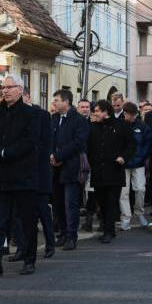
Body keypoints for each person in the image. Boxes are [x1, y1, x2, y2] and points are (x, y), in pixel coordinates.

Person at [0, 75, 41, 278]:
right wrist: (0, 152)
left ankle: (29, 259)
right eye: (3, 88)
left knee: (27, 221)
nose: (4, 91)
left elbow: (30, 141)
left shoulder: (31, 114)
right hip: (2, 177)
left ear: (20, 90)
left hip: (24, 175)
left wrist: (7, 153)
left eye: (9, 87)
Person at [11, 98, 55, 261]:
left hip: (39, 174)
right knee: (18, 215)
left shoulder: (42, 115)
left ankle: (50, 244)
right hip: (20, 175)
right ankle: (22, 248)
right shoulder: (13, 117)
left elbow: (46, 144)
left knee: (43, 212)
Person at [87, 100, 136, 244]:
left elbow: (131, 144)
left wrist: (123, 157)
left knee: (112, 201)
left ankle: (109, 230)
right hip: (98, 171)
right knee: (101, 202)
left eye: (97, 111)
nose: (95, 114)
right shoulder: (93, 127)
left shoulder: (121, 125)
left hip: (114, 170)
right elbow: (89, 147)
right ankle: (108, 229)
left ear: (105, 112)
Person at [50, 89, 89, 250]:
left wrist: (59, 156)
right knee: (58, 203)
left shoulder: (79, 120)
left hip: (71, 167)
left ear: (66, 102)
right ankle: (63, 233)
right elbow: (48, 139)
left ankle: (72, 236)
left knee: (70, 204)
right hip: (54, 167)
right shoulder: (54, 118)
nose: (55, 103)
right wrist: (51, 155)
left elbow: (78, 142)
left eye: (57, 100)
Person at [120, 102, 151, 231]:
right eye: (129, 115)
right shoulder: (120, 126)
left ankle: (139, 213)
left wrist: (140, 158)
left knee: (140, 189)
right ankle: (125, 219)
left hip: (138, 163)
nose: (131, 117)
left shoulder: (142, 127)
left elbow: (147, 145)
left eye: (133, 115)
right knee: (124, 193)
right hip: (123, 164)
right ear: (125, 113)